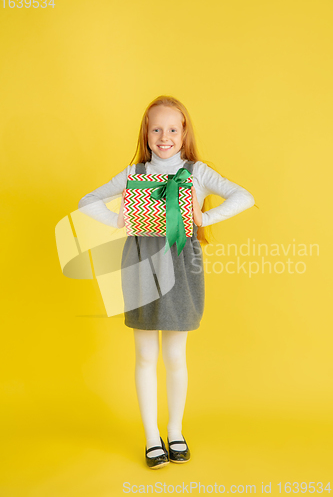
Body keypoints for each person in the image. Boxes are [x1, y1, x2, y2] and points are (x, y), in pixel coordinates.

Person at [78, 95, 256, 469]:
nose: (164, 136)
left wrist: (204, 219)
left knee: (175, 355)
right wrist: (117, 221)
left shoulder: (197, 172)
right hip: (141, 264)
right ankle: (151, 437)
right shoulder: (134, 174)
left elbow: (244, 196)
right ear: (146, 132)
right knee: (145, 355)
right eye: (156, 128)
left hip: (182, 267)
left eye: (173, 129)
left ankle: (175, 431)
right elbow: (87, 201)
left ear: (184, 132)